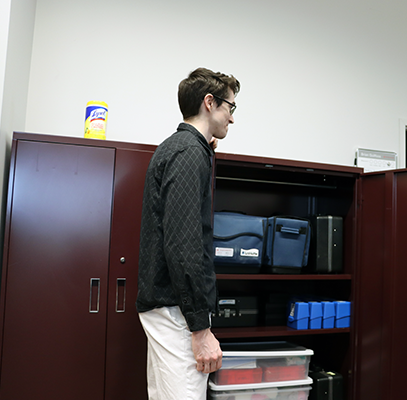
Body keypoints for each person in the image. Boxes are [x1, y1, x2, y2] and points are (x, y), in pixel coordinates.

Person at [136, 67, 240, 400]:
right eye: (230, 107)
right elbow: (183, 244)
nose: (232, 118)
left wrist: (205, 149)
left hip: (166, 307)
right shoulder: (188, 153)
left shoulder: (182, 148)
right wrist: (201, 328)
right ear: (210, 103)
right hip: (176, 311)